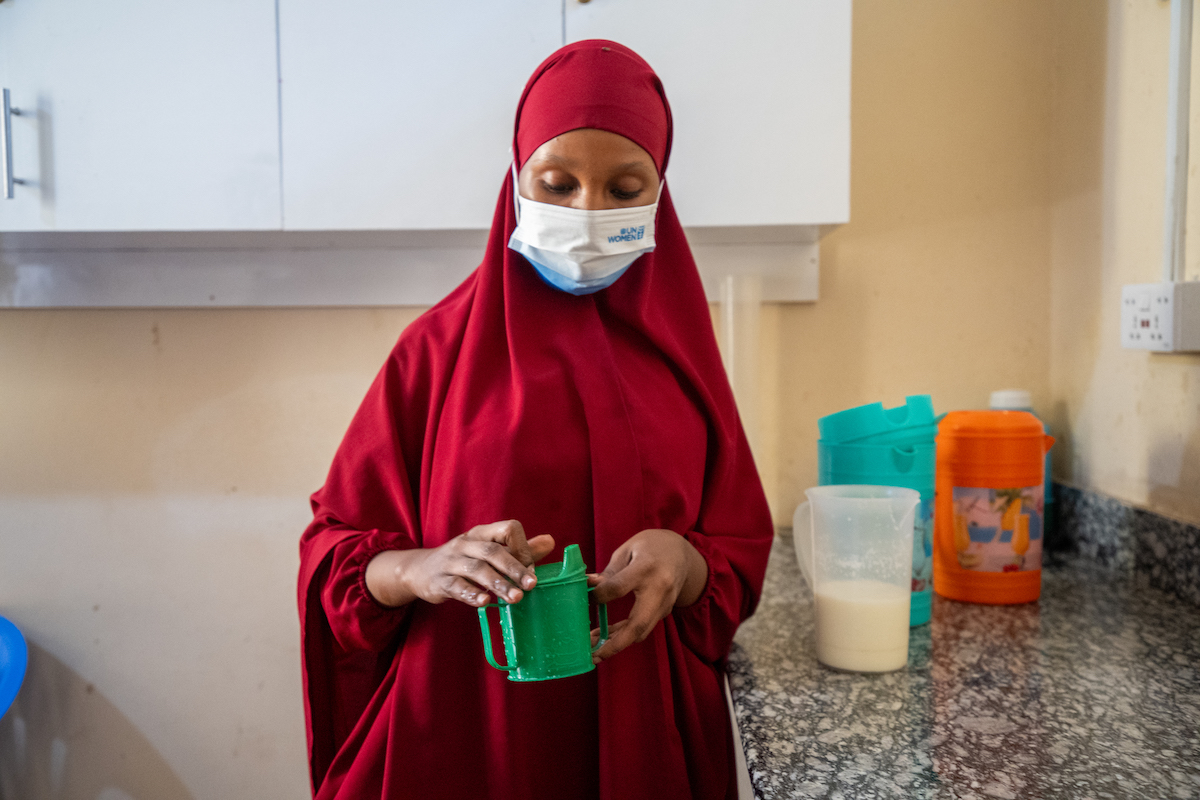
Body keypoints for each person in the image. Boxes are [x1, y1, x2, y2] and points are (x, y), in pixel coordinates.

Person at [298, 40, 774, 800]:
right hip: (461, 736)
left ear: (663, 191)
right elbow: (334, 557)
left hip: (640, 734)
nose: (588, 212)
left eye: (625, 188)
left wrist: (685, 565)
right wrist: (422, 569)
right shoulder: (436, 353)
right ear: (516, 184)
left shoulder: (684, 357)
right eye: (556, 184)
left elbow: (738, 550)